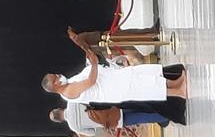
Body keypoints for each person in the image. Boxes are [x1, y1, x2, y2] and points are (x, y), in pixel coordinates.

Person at [44, 31, 189, 103]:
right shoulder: (69, 91)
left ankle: (175, 82)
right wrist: (94, 64)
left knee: (147, 74)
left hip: (116, 78)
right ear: (54, 84)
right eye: (55, 77)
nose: (58, 75)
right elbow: (90, 82)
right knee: (148, 87)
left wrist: (89, 56)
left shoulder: (69, 82)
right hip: (116, 88)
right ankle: (179, 92)